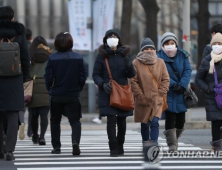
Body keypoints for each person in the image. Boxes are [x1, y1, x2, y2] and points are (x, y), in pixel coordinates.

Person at [92, 29, 135, 157]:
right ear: (105, 40)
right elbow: (95, 74)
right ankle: (113, 148)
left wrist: (129, 66)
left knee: (122, 121)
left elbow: (132, 74)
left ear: (119, 39)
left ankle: (120, 145)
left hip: (122, 92)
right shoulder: (102, 56)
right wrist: (102, 84)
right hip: (108, 92)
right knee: (111, 121)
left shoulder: (125, 55)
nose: (112, 38)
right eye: (110, 36)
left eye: (115, 36)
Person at [44, 32, 86, 155]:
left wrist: (50, 88)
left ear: (56, 43)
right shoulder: (78, 57)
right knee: (75, 121)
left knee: (55, 121)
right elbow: (82, 76)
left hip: (56, 94)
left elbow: (48, 76)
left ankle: (57, 147)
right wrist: (78, 88)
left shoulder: (52, 58)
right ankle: (75, 143)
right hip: (73, 94)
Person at [0, 6, 30, 161]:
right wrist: (25, 76)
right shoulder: (18, 33)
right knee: (13, 115)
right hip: (14, 78)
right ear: (12, 18)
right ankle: (10, 150)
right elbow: (25, 56)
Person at [130, 38, 169, 145]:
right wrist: (140, 97)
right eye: (146, 48)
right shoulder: (136, 63)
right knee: (145, 123)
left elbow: (166, 79)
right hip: (143, 99)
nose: (149, 50)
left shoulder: (160, 62)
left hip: (157, 99)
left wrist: (161, 93)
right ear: (142, 50)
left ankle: (154, 143)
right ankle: (146, 142)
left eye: (151, 48)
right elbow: (133, 81)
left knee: (155, 123)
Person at [157, 32, 192, 152]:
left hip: (181, 92)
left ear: (176, 43)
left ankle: (175, 138)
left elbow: (188, 70)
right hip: (168, 91)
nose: (170, 45)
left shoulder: (183, 55)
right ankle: (172, 144)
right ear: (163, 45)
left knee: (181, 119)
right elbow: (160, 73)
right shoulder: (159, 57)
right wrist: (173, 84)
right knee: (170, 117)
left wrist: (182, 84)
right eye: (167, 43)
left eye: (172, 43)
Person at [196, 33, 222, 154]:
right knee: (216, 122)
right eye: (215, 44)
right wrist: (207, 89)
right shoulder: (207, 60)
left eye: (220, 44)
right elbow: (198, 79)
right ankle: (216, 145)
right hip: (213, 96)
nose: (217, 46)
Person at [26, 36, 52, 145]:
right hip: (46, 86)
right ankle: (42, 137)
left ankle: (35, 136)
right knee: (44, 115)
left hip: (32, 86)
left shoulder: (30, 55)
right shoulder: (50, 55)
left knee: (33, 114)